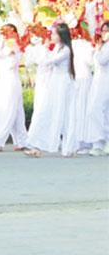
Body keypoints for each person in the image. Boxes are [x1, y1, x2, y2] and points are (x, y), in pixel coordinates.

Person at [26, 23, 75, 156]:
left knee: (62, 113)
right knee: (46, 111)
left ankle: (68, 147)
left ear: (60, 35)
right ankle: (38, 145)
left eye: (54, 34)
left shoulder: (65, 50)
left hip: (63, 83)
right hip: (55, 82)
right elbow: (47, 60)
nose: (51, 36)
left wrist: (42, 52)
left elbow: (50, 61)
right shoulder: (57, 48)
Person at [0, 25, 29, 152]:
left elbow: (11, 64)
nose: (7, 35)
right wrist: (3, 47)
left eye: (9, 32)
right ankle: (22, 141)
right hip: (1, 82)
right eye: (4, 32)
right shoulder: (1, 46)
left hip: (11, 82)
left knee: (8, 110)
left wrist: (10, 49)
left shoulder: (17, 47)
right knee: (12, 111)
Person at [64, 25, 94, 156]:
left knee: (78, 111)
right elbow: (91, 62)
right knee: (83, 110)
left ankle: (80, 141)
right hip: (83, 79)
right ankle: (82, 141)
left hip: (79, 79)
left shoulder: (69, 46)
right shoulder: (84, 45)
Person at [85, 21, 109, 156]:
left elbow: (101, 60)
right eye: (103, 31)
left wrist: (98, 49)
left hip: (105, 81)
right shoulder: (103, 46)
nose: (104, 33)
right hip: (99, 80)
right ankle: (101, 142)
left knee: (97, 109)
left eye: (106, 30)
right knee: (101, 111)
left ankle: (100, 140)